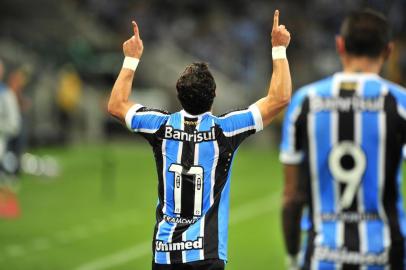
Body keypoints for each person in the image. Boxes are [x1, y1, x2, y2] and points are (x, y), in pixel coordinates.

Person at [108, 10, 291, 270]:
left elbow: (116, 104)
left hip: (164, 253)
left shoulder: (159, 126)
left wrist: (131, 59)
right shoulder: (225, 130)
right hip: (206, 254)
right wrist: (279, 48)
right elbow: (279, 98)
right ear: (214, 94)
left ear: (178, 94)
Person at [280, 9, 406, 269]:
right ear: (388, 51)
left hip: (322, 256)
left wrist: (293, 256)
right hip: (385, 256)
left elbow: (292, 197)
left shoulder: (305, 101)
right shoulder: (399, 103)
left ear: (340, 45)